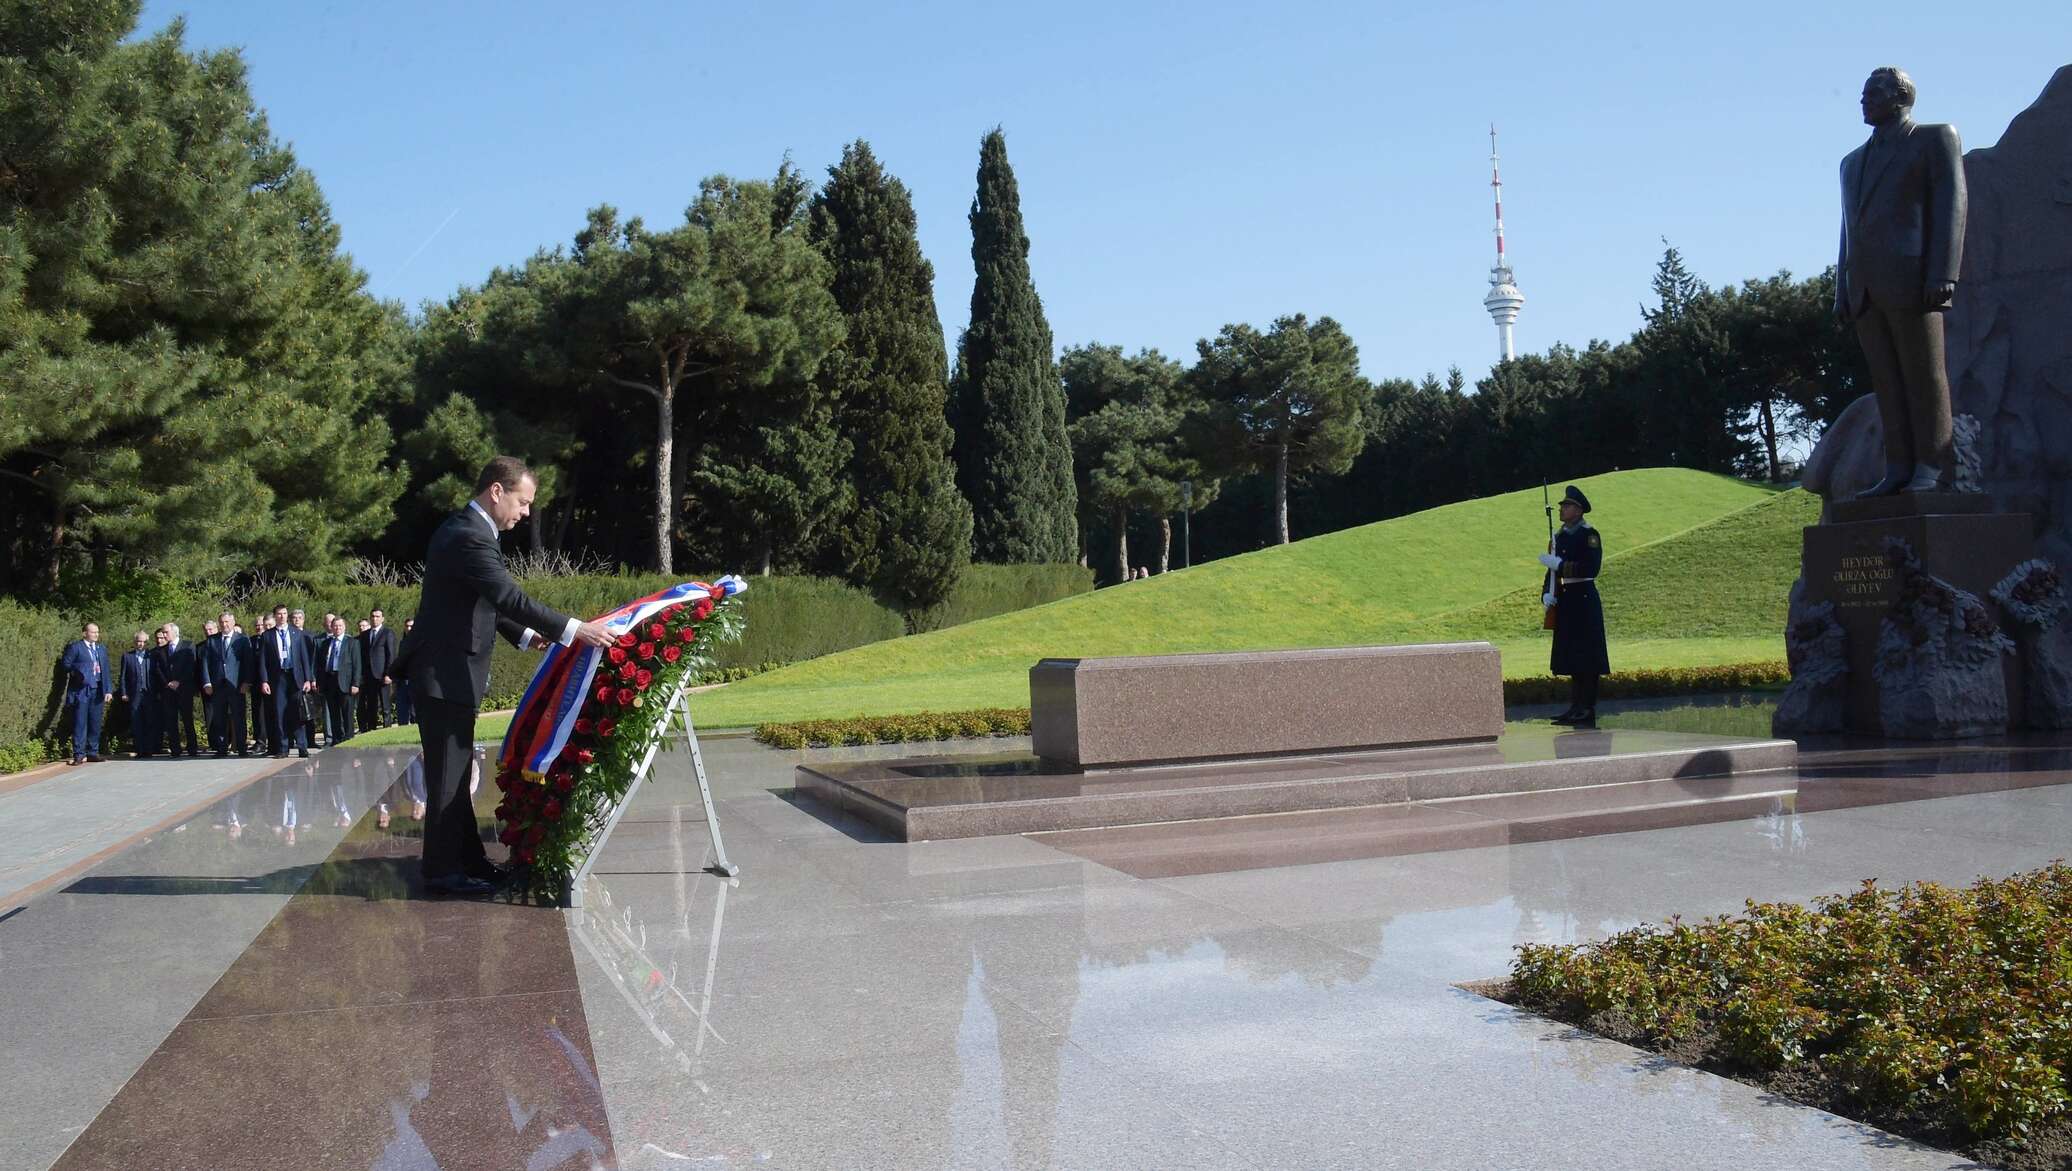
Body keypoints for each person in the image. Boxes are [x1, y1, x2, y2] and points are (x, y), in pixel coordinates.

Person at [396, 456, 614, 898]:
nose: (526, 512)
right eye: (523, 501)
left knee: (456, 774)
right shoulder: (468, 536)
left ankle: (470, 861)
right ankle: (440, 872)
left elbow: (482, 602)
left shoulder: (470, 531)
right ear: (497, 491)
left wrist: (525, 634)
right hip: (444, 674)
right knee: (447, 777)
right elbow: (505, 594)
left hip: (449, 673)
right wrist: (574, 630)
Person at [1836, 66, 1966, 497]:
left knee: (1924, 375)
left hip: (1913, 279)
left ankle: (1934, 467)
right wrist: (1842, 289)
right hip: (1865, 289)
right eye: (1862, 93)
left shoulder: (1934, 139)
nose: (1863, 100)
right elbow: (1847, 228)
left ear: (1900, 97)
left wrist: (1943, 273)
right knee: (1887, 382)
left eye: (1872, 92)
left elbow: (1952, 205)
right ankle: (1897, 468)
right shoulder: (1851, 162)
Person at [1537, 485, 1609, 727]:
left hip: (1583, 598)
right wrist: (1547, 594)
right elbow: (1551, 570)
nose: (1561, 509)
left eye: (1566, 506)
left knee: (1587, 656)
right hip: (1566, 599)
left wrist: (1560, 564)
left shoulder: (1589, 535)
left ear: (1578, 510)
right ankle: (1575, 706)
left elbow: (1591, 568)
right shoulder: (1559, 537)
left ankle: (1587, 707)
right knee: (1572, 656)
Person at [258, 603, 315, 758]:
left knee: (298, 713)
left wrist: (308, 679)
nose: (282, 616)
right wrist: (264, 680)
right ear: (275, 616)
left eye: (284, 613)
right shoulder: (267, 636)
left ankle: (302, 747)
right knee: (280, 713)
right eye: (279, 614)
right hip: (278, 678)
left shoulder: (297, 633)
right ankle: (283, 748)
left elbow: (304, 657)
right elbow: (262, 661)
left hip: (295, 677)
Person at [60, 622, 113, 765]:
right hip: (82, 690)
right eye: (93, 632)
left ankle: (92, 752)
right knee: (80, 722)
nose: (96, 634)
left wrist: (108, 690)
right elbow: (66, 664)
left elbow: (106, 670)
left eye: (97, 632)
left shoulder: (101, 649)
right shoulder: (76, 647)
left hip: (98, 689)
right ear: (84, 633)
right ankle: (79, 753)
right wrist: (77, 673)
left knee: (95, 722)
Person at [200, 610, 250, 758]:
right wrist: (207, 682)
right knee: (219, 718)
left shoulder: (242, 639)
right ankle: (221, 748)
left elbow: (248, 663)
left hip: (236, 685)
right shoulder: (212, 640)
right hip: (217, 685)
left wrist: (246, 682)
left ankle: (241, 747)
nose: (224, 624)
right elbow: (205, 663)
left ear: (233, 622)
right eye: (222, 622)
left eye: (227, 622)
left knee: (238, 717)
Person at [154, 623, 201, 757]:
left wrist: (179, 681)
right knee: (170, 720)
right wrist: (167, 683)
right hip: (168, 690)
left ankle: (192, 747)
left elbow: (191, 666)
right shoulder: (161, 650)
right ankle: (175, 749)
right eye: (163, 632)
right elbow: (158, 669)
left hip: (184, 688)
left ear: (175, 632)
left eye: (166, 632)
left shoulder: (187, 645)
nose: (163, 635)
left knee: (187, 719)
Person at [318, 614, 362, 746]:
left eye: (340, 626)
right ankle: (336, 739)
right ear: (331, 627)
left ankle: (349, 738)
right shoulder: (326, 643)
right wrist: (320, 683)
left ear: (344, 627)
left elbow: (357, 664)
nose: (337, 628)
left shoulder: (352, 642)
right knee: (334, 712)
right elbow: (320, 665)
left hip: (345, 682)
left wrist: (355, 683)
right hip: (330, 681)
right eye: (335, 626)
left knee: (347, 712)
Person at [118, 631, 159, 758]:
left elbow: (157, 675)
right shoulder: (127, 656)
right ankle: (140, 749)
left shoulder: (152, 655)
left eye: (143, 642)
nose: (140, 644)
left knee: (150, 721)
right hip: (135, 694)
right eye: (138, 641)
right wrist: (124, 692)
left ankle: (149, 749)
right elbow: (123, 676)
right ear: (134, 642)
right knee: (136, 722)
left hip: (149, 693)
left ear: (146, 643)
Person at [361, 607, 399, 729]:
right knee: (371, 706)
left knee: (385, 706)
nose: (374, 619)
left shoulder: (387, 633)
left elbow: (391, 655)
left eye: (377, 616)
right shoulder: (365, 635)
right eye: (372, 616)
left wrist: (389, 674)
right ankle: (372, 730)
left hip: (383, 675)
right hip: (369, 676)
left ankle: (387, 729)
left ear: (382, 619)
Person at [393, 617, 417, 724]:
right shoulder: (402, 643)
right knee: (402, 713)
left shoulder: (421, 642)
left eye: (411, 626)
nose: (409, 628)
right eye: (407, 626)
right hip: (403, 681)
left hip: (416, 681)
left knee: (415, 712)